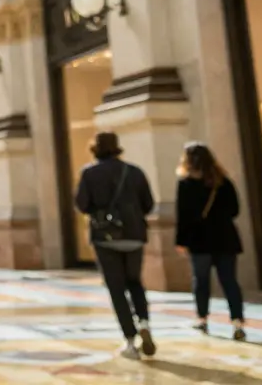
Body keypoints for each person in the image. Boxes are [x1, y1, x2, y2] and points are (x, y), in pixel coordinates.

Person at [75, 131, 156, 360]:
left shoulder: (89, 173)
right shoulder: (135, 171)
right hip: (134, 236)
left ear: (94, 148)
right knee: (135, 282)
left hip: (105, 238)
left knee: (116, 289)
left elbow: (81, 204)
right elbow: (148, 204)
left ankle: (130, 341)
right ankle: (144, 323)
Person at [175, 141, 245, 340]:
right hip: (226, 238)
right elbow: (235, 210)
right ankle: (237, 322)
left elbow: (183, 217)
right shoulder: (223, 181)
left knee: (201, 281)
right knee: (229, 281)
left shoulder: (186, 184)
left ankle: (202, 320)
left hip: (199, 241)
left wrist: (181, 241)